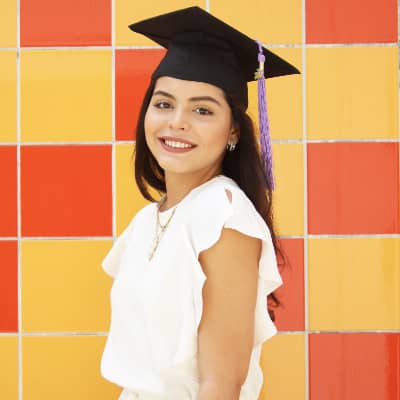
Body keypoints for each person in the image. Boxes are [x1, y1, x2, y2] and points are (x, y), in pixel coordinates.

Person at [100, 6, 299, 400]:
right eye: (163, 104)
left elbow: (220, 385)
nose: (177, 121)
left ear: (233, 131)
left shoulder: (222, 215)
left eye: (202, 110)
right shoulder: (149, 219)